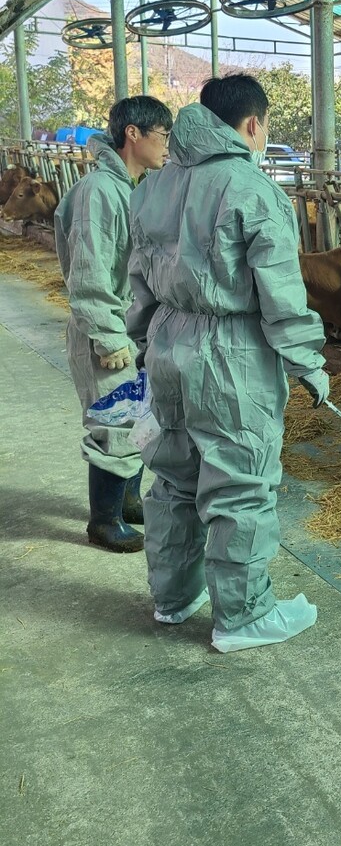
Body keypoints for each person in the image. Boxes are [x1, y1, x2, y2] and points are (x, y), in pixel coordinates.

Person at [127, 74, 328, 654]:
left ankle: (172, 597)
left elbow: (137, 280)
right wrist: (307, 362)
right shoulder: (252, 187)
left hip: (167, 340)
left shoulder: (155, 185)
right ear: (252, 125)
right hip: (230, 350)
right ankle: (241, 615)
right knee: (239, 483)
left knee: (173, 476)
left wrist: (146, 343)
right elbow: (282, 296)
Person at [54, 95, 173, 554]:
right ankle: (103, 520)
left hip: (130, 327)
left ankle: (125, 500)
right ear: (133, 134)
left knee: (138, 416)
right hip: (105, 330)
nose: (168, 146)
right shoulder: (100, 191)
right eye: (163, 136)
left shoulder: (132, 186)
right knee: (114, 421)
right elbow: (89, 271)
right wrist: (107, 336)